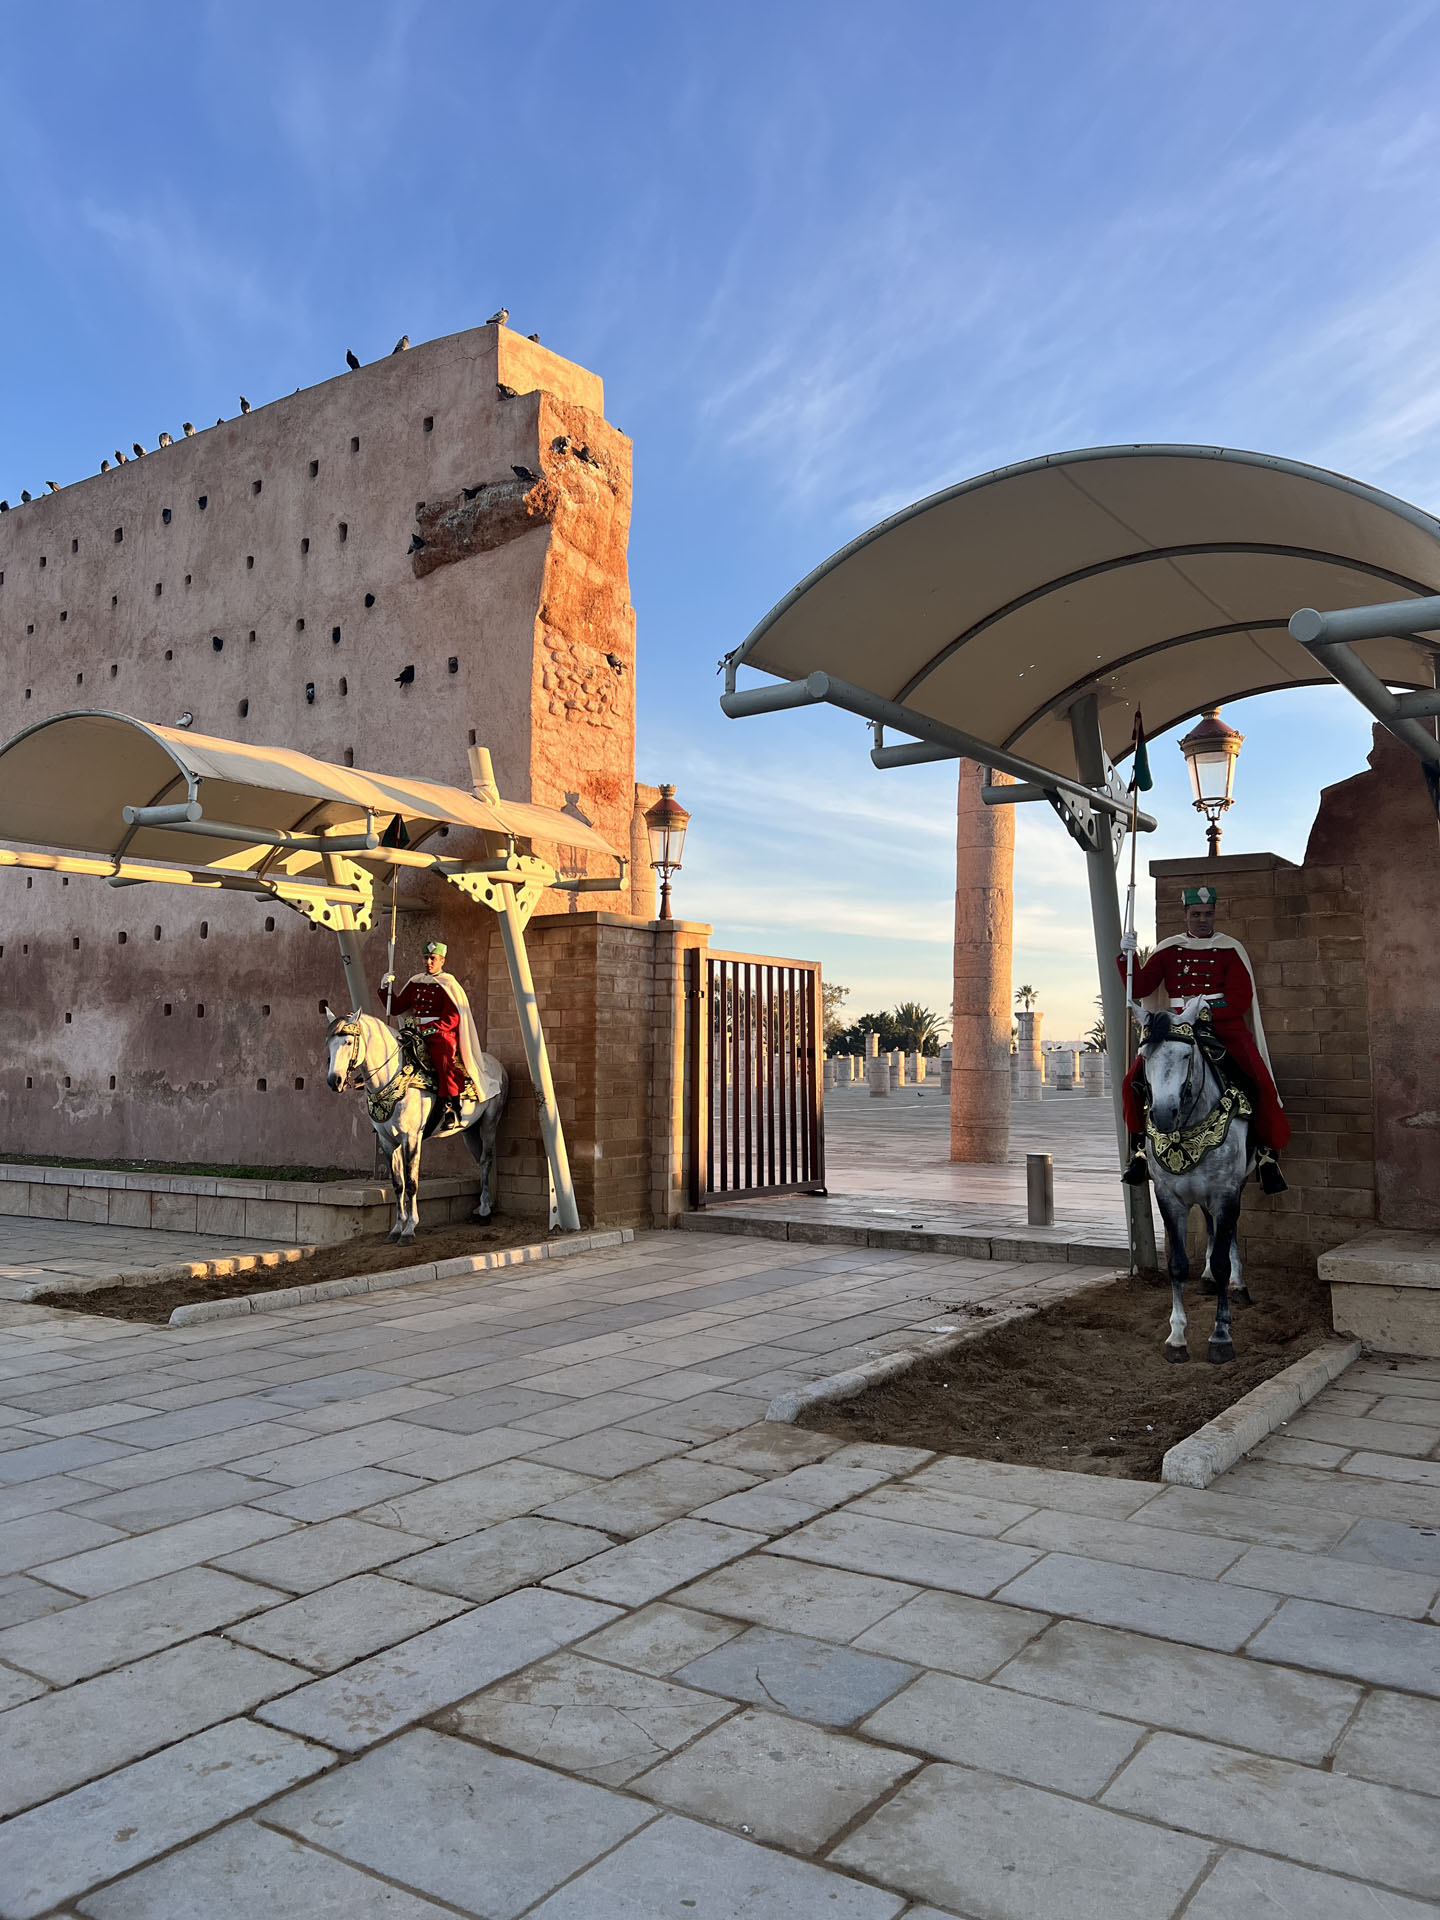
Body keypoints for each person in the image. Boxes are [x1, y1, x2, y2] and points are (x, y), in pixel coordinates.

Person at [1118, 884, 1290, 1193]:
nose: (1202, 920)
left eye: (1207, 914)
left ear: (1214, 914)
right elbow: (1140, 987)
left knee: (1258, 1081)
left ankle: (1266, 1155)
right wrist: (1126, 957)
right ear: (1185, 914)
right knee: (1132, 1081)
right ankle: (1140, 1150)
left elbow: (1239, 999)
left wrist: (1205, 1010)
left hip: (1221, 1026)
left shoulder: (1229, 950)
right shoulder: (1169, 950)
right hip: (1176, 1027)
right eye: (1196, 914)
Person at [379, 940, 489, 1137]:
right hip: (415, 1031)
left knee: (444, 1062)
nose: (428, 962)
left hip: (440, 1034)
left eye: (432, 958)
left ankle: (452, 1107)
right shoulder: (415, 982)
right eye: (426, 958)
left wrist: (430, 1029)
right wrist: (384, 988)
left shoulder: (448, 984)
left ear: (442, 960)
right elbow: (396, 1008)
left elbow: (453, 1018)